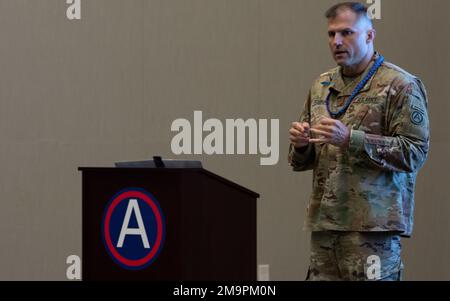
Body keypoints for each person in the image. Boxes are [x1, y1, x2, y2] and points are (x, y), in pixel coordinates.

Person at [288, 2, 430, 281]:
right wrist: (302, 144)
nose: (337, 41)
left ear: (369, 35)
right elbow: (301, 160)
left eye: (346, 33)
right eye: (331, 35)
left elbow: (415, 152)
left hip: (372, 232)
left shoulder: (401, 85)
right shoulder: (321, 86)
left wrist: (350, 139)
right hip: (325, 228)